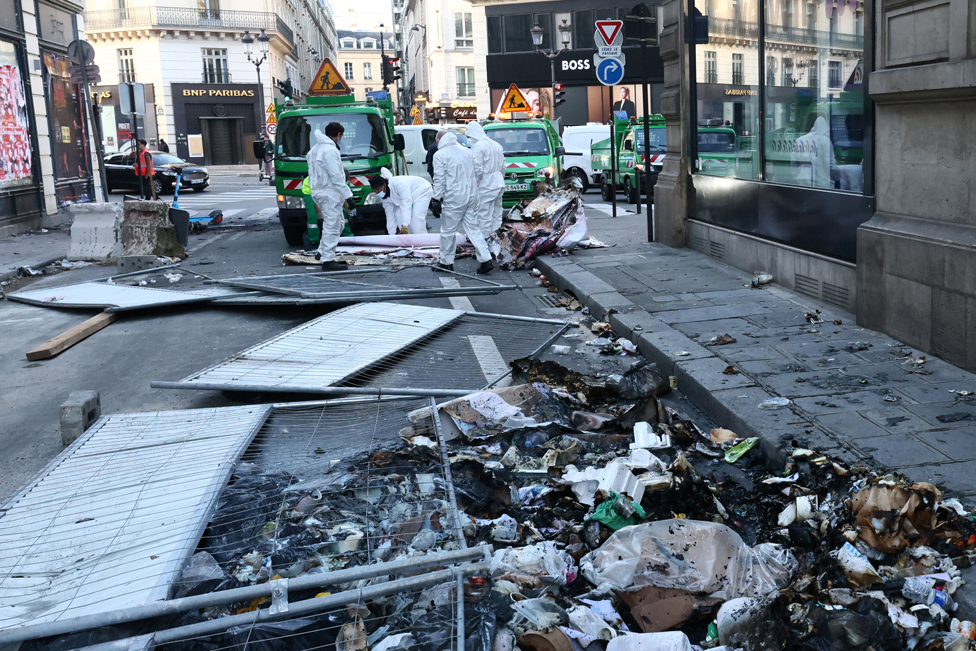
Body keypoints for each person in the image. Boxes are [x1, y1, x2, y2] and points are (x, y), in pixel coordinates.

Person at [431, 131, 492, 274]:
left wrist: (436, 198)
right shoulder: (467, 151)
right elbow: (479, 172)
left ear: (438, 139)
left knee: (448, 230)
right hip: (472, 195)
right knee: (473, 228)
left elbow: (439, 178)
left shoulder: (440, 155)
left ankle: (446, 263)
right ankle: (486, 259)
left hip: (454, 197)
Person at [308, 122, 354, 271]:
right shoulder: (330, 151)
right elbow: (336, 176)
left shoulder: (315, 150)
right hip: (329, 192)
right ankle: (327, 259)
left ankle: (322, 252)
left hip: (319, 191)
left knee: (338, 223)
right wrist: (348, 197)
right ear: (339, 135)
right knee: (333, 225)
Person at [465, 122, 505, 239]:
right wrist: (500, 178)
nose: (468, 140)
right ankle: (497, 240)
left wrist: (473, 185)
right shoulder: (496, 145)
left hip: (486, 183)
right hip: (498, 182)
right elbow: (503, 166)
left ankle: (484, 242)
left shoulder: (478, 147)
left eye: (468, 137)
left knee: (484, 214)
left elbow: (477, 169)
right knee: (497, 213)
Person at [369, 168, 432, 235]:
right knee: (398, 215)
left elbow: (406, 203)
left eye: (377, 189)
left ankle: (422, 240)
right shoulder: (384, 196)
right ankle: (408, 241)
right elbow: (389, 215)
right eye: (374, 190)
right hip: (409, 196)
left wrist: (405, 225)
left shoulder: (398, 184)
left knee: (416, 217)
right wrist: (391, 235)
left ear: (384, 185)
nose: (377, 192)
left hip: (421, 191)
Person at [792, 115, 838, 189]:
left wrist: (795, 176)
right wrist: (837, 178)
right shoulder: (825, 141)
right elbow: (830, 163)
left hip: (801, 180)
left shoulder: (799, 140)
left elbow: (794, 162)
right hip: (820, 182)